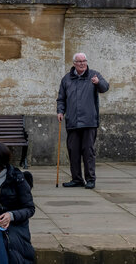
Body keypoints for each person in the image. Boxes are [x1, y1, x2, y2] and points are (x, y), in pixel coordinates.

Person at [56, 52, 109, 189]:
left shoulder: (94, 75)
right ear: (74, 63)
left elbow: (105, 87)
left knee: (88, 151)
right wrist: (60, 111)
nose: (82, 63)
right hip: (72, 121)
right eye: (79, 61)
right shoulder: (66, 79)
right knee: (73, 151)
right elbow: (61, 98)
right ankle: (77, 179)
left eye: (84, 61)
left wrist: (98, 83)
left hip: (89, 121)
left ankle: (90, 179)